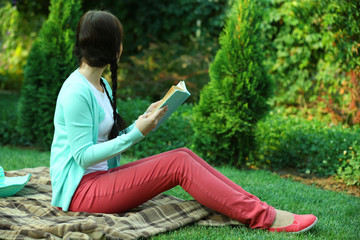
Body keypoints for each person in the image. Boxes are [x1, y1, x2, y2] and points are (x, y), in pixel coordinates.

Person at [50, 10, 318, 233]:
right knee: (179, 164)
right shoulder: (76, 91)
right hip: (81, 192)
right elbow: (83, 156)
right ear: (109, 46)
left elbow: (106, 139)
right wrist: (136, 135)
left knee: (183, 155)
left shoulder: (101, 85)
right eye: (119, 40)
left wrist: (144, 121)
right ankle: (265, 218)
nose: (122, 47)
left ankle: (261, 208)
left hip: (100, 179)